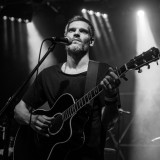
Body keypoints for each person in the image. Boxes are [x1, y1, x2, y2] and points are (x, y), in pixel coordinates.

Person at [14, 15, 121, 160]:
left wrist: (111, 96)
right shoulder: (48, 75)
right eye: (72, 30)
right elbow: (19, 110)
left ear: (92, 41)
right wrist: (31, 119)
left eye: (83, 31)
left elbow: (109, 122)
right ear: (65, 37)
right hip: (51, 154)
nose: (76, 33)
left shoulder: (103, 72)